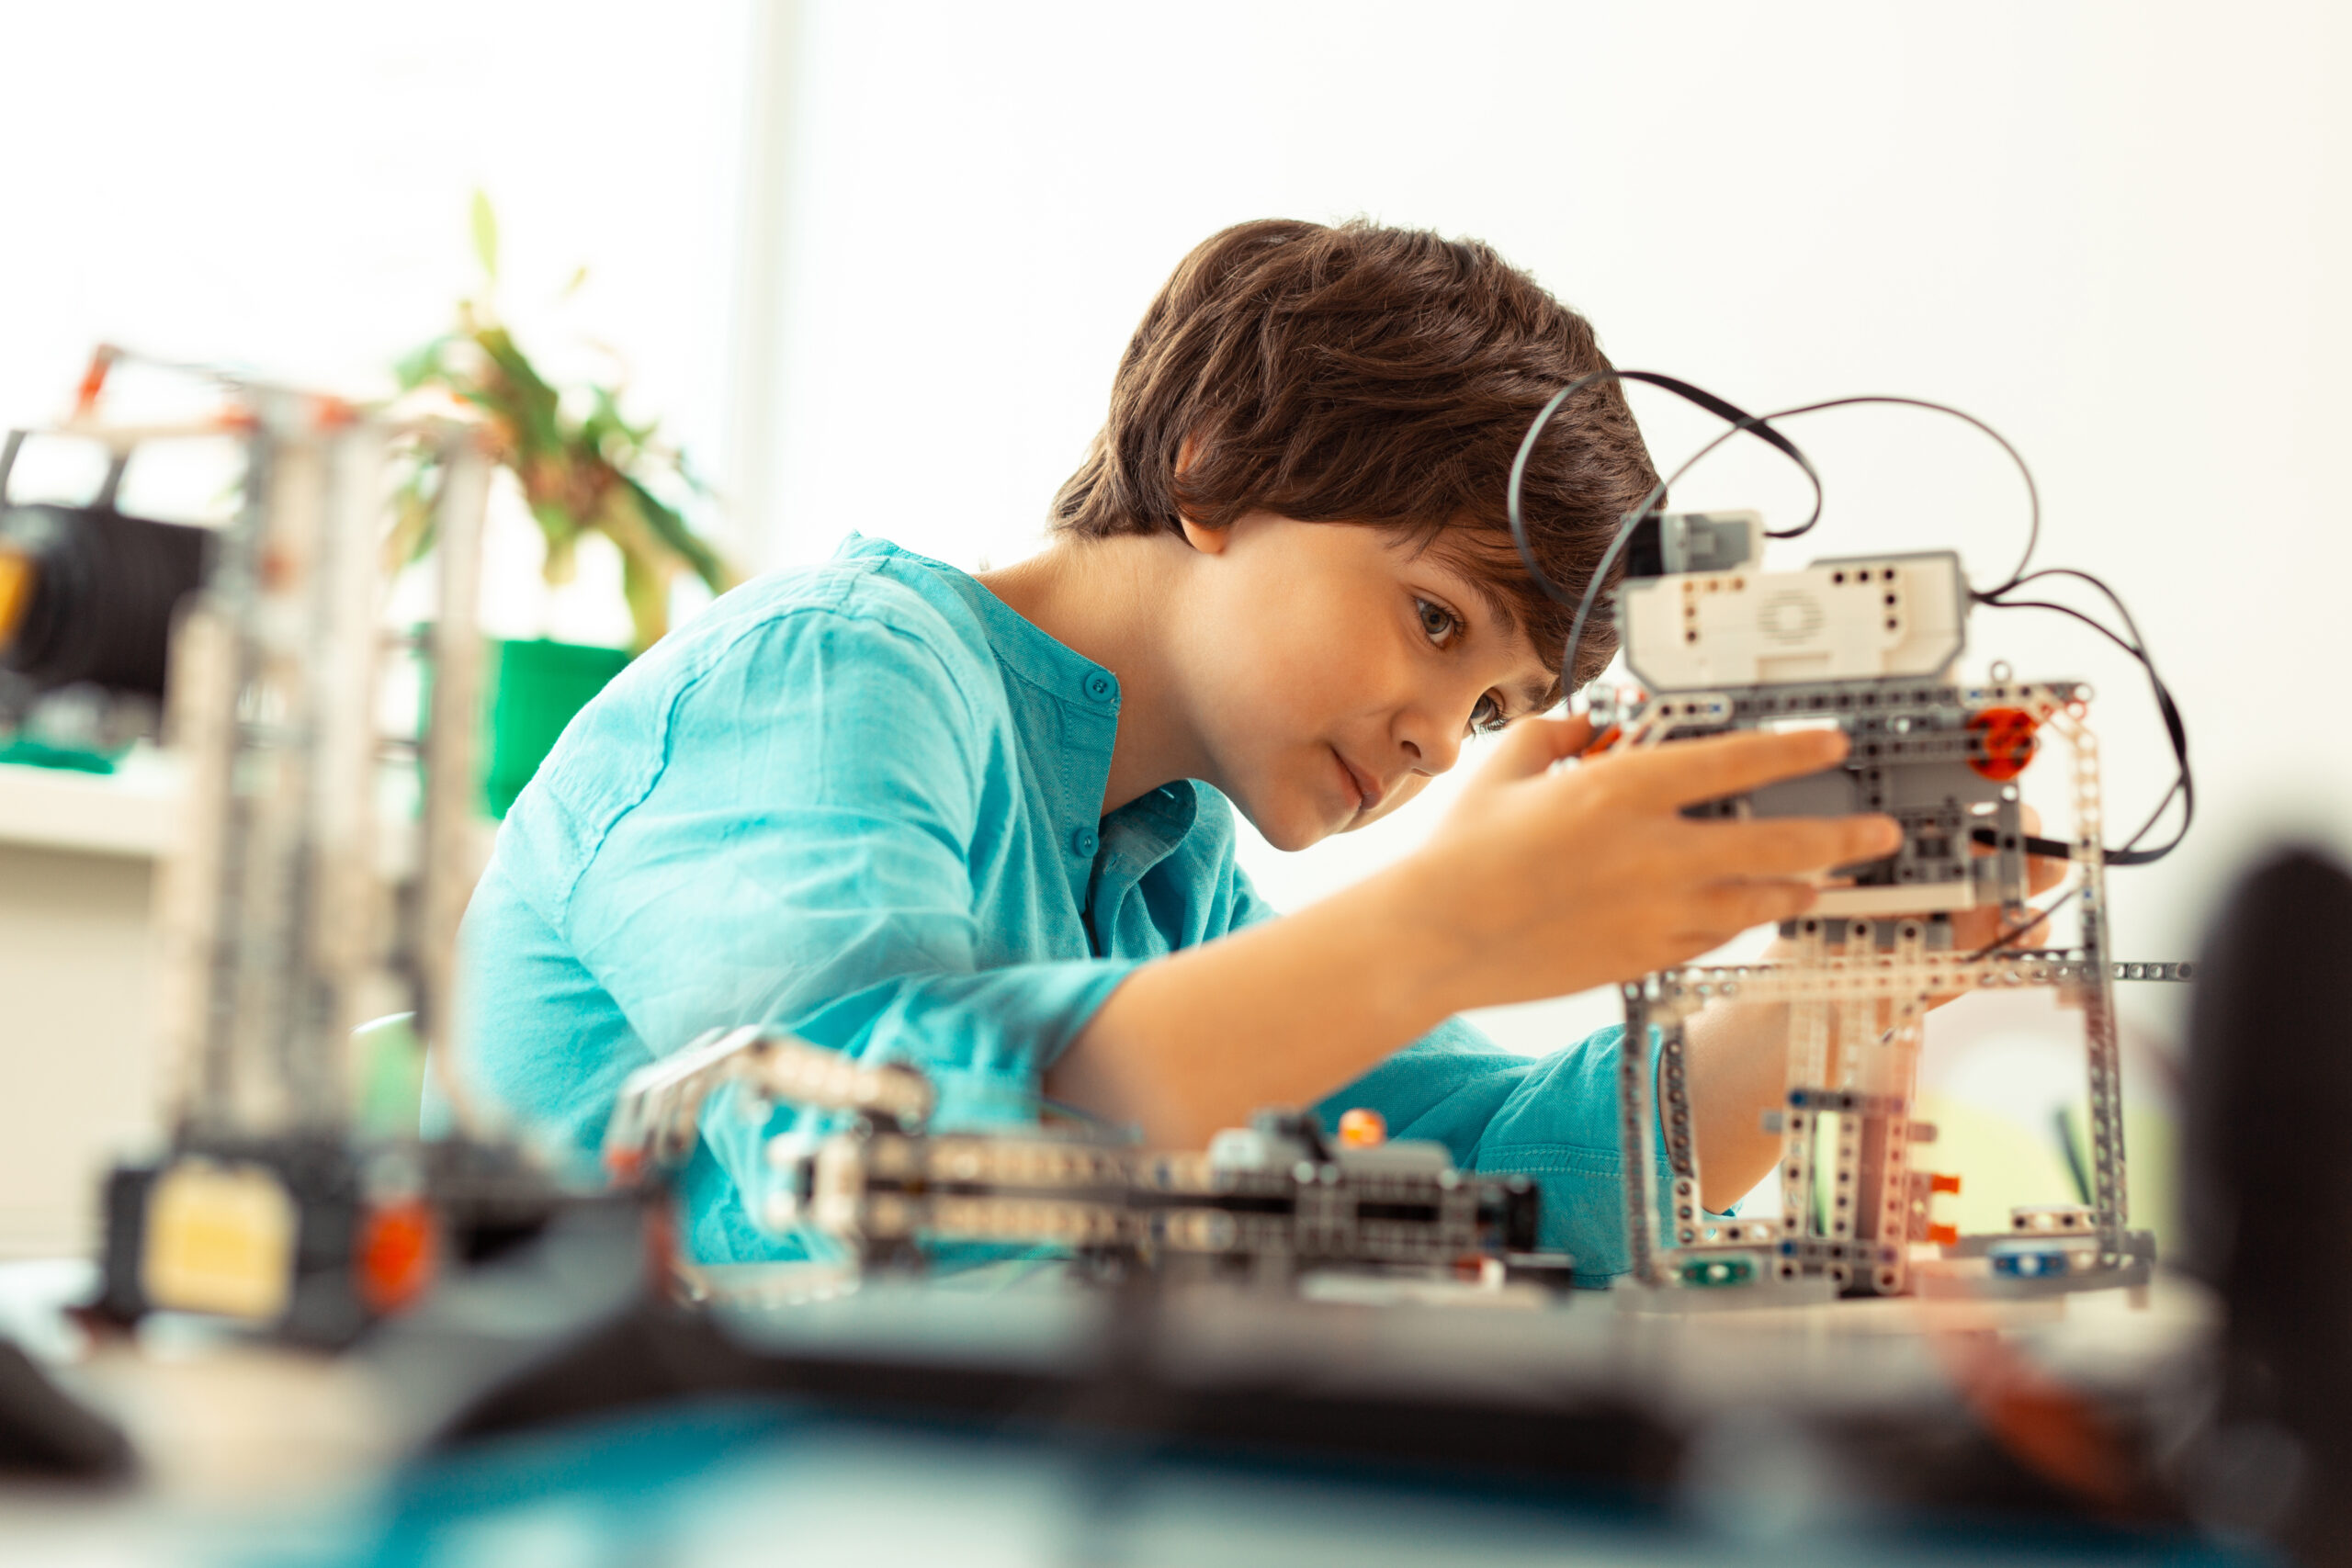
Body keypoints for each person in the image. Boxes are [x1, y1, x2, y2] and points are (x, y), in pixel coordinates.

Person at [449, 218, 1915, 1280]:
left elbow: (1502, 1166)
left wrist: (1845, 985)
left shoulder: (1164, 862)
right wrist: (1444, 927)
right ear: (1216, 467)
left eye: (1490, 715)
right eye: (1435, 619)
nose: (1439, 739)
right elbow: (872, 1157)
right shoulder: (837, 675)